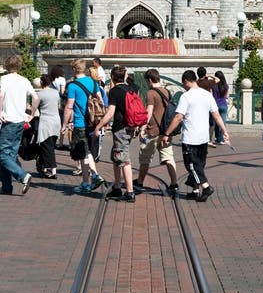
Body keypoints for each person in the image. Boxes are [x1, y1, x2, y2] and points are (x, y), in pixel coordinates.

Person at [162, 69, 229, 202]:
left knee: (191, 165)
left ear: (186, 81)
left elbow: (178, 117)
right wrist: (224, 130)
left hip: (190, 137)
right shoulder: (207, 95)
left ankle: (206, 187)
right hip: (203, 137)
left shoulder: (186, 96)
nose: (183, 86)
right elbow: (216, 115)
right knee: (199, 164)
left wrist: (167, 133)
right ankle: (195, 190)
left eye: (183, 83)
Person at [0, 53, 38, 195]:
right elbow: (36, 98)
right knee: (11, 155)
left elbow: (1, 95)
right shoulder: (24, 80)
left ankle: (23, 176)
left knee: (3, 155)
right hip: (20, 122)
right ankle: (7, 187)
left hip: (9, 121)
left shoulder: (5, 79)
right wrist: (31, 115)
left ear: (7, 65)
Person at [93, 65, 137, 202]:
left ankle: (130, 192)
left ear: (112, 77)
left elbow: (110, 113)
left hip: (120, 128)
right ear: (124, 77)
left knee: (124, 160)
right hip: (130, 127)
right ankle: (117, 187)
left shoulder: (115, 91)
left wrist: (99, 126)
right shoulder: (131, 89)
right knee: (116, 157)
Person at [61, 58, 104, 194]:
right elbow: (101, 101)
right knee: (88, 151)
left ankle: (90, 180)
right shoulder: (93, 82)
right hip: (92, 122)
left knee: (82, 153)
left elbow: (69, 106)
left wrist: (64, 124)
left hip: (80, 123)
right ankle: (91, 179)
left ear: (74, 69)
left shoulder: (72, 86)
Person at [134, 68, 178, 194]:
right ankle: (174, 183)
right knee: (168, 157)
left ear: (149, 80)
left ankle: (140, 181)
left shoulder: (151, 93)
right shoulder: (167, 91)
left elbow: (149, 112)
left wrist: (143, 127)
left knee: (145, 158)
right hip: (165, 131)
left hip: (152, 131)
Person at [36, 74, 61, 179]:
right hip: (56, 121)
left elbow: (34, 109)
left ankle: (53, 170)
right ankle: (44, 168)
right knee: (49, 146)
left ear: (41, 83)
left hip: (46, 122)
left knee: (47, 147)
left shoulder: (39, 94)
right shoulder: (56, 93)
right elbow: (59, 106)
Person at [49, 65, 67, 148]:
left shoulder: (51, 79)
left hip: (52, 101)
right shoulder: (62, 79)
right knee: (62, 122)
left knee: (53, 122)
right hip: (60, 102)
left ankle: (51, 141)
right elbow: (62, 92)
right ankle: (60, 142)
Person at [210, 71, 229, 144]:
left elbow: (211, 94)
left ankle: (217, 137)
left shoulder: (213, 86)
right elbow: (227, 96)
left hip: (216, 105)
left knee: (216, 122)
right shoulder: (226, 85)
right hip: (223, 105)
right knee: (222, 122)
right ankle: (221, 139)